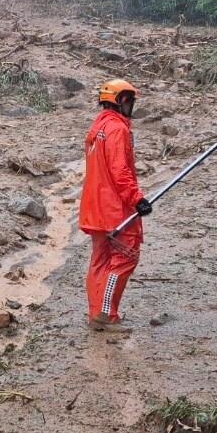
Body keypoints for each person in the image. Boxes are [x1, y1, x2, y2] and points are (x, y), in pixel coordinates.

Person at [79, 79, 151, 334]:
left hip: (95, 209)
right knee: (124, 259)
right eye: (130, 100)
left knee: (100, 260)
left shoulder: (97, 128)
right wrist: (137, 199)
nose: (132, 106)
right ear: (120, 100)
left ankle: (95, 312)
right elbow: (120, 171)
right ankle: (106, 314)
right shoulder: (117, 130)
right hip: (114, 209)